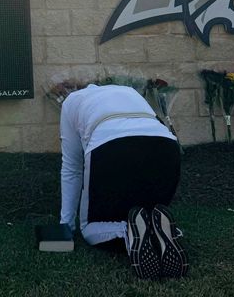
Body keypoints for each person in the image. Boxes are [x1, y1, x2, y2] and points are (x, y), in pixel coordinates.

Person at [59, 83, 188, 279]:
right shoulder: (128, 91)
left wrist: (65, 226)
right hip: (165, 146)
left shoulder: (70, 102)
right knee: (147, 211)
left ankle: (127, 232)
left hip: (111, 147)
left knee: (89, 229)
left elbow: (72, 168)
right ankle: (160, 230)